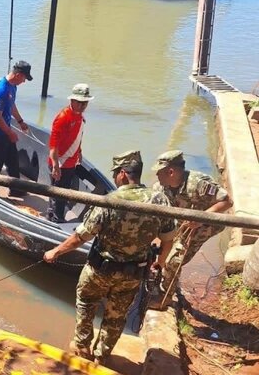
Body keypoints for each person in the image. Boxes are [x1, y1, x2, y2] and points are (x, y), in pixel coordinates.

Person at [43, 150, 176, 364]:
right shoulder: (160, 201)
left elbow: (81, 237)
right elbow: (168, 239)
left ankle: (82, 349)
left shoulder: (110, 201)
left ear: (122, 173)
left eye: (115, 173)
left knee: (86, 302)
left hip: (100, 271)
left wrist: (55, 252)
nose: (114, 177)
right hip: (133, 274)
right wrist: (159, 263)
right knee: (117, 315)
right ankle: (101, 357)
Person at [152, 150, 233, 296]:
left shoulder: (198, 184)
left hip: (206, 224)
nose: (156, 175)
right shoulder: (160, 187)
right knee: (163, 249)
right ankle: (167, 277)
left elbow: (227, 201)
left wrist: (200, 218)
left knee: (175, 260)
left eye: (159, 172)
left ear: (171, 172)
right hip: (183, 222)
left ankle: (166, 295)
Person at [47, 83, 94, 223]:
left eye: (85, 103)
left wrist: (79, 152)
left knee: (63, 192)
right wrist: (55, 165)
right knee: (58, 194)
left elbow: (78, 137)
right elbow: (53, 146)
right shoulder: (63, 118)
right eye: (79, 102)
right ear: (72, 101)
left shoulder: (80, 117)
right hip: (60, 163)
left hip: (71, 162)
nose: (82, 105)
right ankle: (56, 219)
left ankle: (55, 215)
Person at [0, 60, 33, 197]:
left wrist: (20, 121)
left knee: (12, 160)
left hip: (5, 130)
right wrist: (10, 133)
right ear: (18, 75)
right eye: (24, 78)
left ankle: (15, 188)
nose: (24, 81)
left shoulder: (13, 87)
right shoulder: (2, 89)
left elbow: (11, 105)